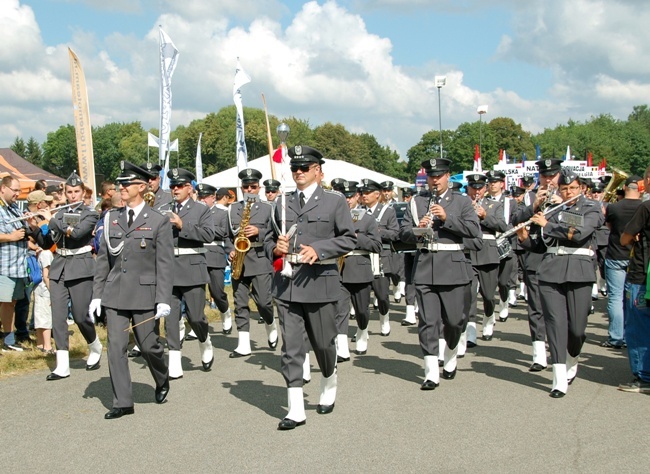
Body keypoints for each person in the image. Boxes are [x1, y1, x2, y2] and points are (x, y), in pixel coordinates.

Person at [265, 145, 356, 430]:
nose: (299, 172)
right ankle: (295, 409)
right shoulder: (281, 202)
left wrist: (320, 248)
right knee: (291, 347)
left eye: (305, 168)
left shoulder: (334, 201)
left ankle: (329, 378)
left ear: (317, 170)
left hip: (319, 282)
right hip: (288, 284)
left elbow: (349, 239)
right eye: (295, 168)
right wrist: (275, 248)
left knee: (323, 344)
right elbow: (269, 241)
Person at [90, 161, 174, 418]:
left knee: (149, 347)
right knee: (115, 348)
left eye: (126, 184)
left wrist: (162, 299)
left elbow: (165, 264)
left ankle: (161, 377)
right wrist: (97, 296)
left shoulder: (158, 221)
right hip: (115, 295)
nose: (121, 188)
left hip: (144, 294)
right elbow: (104, 260)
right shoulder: (111, 217)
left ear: (141, 186)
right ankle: (123, 402)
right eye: (120, 184)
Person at [517, 168, 602, 397]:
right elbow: (540, 245)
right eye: (564, 189)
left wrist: (547, 224)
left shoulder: (592, 208)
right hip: (550, 272)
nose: (569, 192)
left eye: (573, 188)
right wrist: (525, 237)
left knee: (577, 329)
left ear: (581, 188)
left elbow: (580, 233)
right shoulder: (552, 210)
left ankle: (572, 358)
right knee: (554, 324)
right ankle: (558, 378)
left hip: (580, 271)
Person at [399, 158, 481, 390]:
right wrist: (417, 230)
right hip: (425, 265)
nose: (435, 180)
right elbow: (402, 233)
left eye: (440, 175)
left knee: (455, 322)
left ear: (448, 176)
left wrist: (447, 219)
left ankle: (451, 353)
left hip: (454, 267)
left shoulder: (462, 201)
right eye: (431, 176)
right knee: (428, 321)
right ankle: (431, 372)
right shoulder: (416, 201)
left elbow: (473, 231)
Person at [44, 172, 102, 380]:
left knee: (80, 315)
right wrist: (36, 227)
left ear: (83, 192)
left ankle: (94, 345)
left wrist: (52, 221)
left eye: (76, 191)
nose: (73, 195)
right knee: (58, 316)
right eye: (69, 192)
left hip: (81, 266)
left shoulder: (90, 213)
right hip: (59, 266)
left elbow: (77, 234)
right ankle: (62, 365)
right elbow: (46, 241)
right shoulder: (59, 213)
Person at [164, 168, 215, 379]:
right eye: (172, 186)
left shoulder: (201, 209)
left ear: (189, 188)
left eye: (179, 186)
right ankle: (174, 360)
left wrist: (182, 225)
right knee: (170, 317)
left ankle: (205, 340)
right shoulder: (163, 208)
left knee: (195, 317)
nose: (174, 189)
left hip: (192, 267)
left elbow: (209, 234)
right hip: (168, 269)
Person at [227, 168, 277, 357]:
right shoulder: (233, 208)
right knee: (240, 303)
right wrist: (229, 250)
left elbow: (276, 233)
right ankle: (243, 344)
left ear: (259, 188)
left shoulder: (269, 208)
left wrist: (259, 232)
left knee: (264, 302)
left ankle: (270, 324)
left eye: (253, 187)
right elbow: (225, 236)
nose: (249, 190)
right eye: (246, 186)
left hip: (260, 257)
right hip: (239, 260)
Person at [337, 180, 382, 358]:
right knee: (340, 311)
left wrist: (357, 238)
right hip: (340, 269)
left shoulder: (368, 218)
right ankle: (342, 348)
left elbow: (377, 246)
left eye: (350, 196)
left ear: (357, 196)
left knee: (362, 310)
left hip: (360, 269)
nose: (347, 200)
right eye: (344, 196)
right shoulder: (336, 216)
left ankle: (363, 331)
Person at [462, 173, 507, 346]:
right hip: (468, 253)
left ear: (485, 188)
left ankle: (488, 317)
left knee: (488, 295)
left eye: (480, 188)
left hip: (487, 254)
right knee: (470, 295)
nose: (476, 191)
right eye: (473, 187)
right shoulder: (462, 206)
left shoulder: (494, 205)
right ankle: (471, 332)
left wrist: (485, 216)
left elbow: (503, 226)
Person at [618, 167, 650, 393]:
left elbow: (625, 238)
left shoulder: (646, 207)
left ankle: (643, 376)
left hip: (642, 273)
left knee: (638, 326)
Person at [1, 176, 42, 351]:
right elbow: (11, 234)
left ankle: (9, 339)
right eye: (15, 190)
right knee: (3, 302)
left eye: (19, 190)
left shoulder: (14, 209)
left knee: (11, 302)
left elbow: (23, 232)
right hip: (3, 265)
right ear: (3, 188)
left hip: (18, 266)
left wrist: (29, 225)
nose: (18, 193)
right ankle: (6, 340)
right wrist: (10, 237)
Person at [602, 176, 643, 349]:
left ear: (625, 187)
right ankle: (628, 336)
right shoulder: (644, 208)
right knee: (631, 298)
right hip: (636, 257)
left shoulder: (613, 207)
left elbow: (610, 227)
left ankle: (616, 337)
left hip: (615, 255)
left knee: (615, 297)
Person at [360, 179, 400, 336]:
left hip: (381, 257)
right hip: (362, 257)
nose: (364, 196)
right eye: (362, 193)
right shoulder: (358, 212)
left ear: (377, 195)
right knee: (362, 299)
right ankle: (362, 329)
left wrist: (376, 232)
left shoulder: (387, 211)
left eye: (367, 193)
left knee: (382, 295)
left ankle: (384, 318)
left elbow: (395, 233)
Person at [196, 184, 233, 335]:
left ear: (212, 197)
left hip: (214, 253)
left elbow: (225, 231)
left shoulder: (222, 213)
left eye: (204, 197)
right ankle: (198, 324)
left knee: (217, 292)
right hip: (197, 254)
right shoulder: (195, 211)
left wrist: (206, 228)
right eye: (200, 197)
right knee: (197, 295)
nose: (201, 200)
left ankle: (225, 312)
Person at [485, 170, 518, 319]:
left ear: (501, 184)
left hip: (506, 244)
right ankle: (490, 314)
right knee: (489, 285)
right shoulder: (483, 201)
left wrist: (507, 231)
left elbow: (514, 222)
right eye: (490, 182)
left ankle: (504, 302)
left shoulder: (510, 202)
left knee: (504, 282)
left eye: (496, 182)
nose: (493, 185)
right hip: (488, 246)